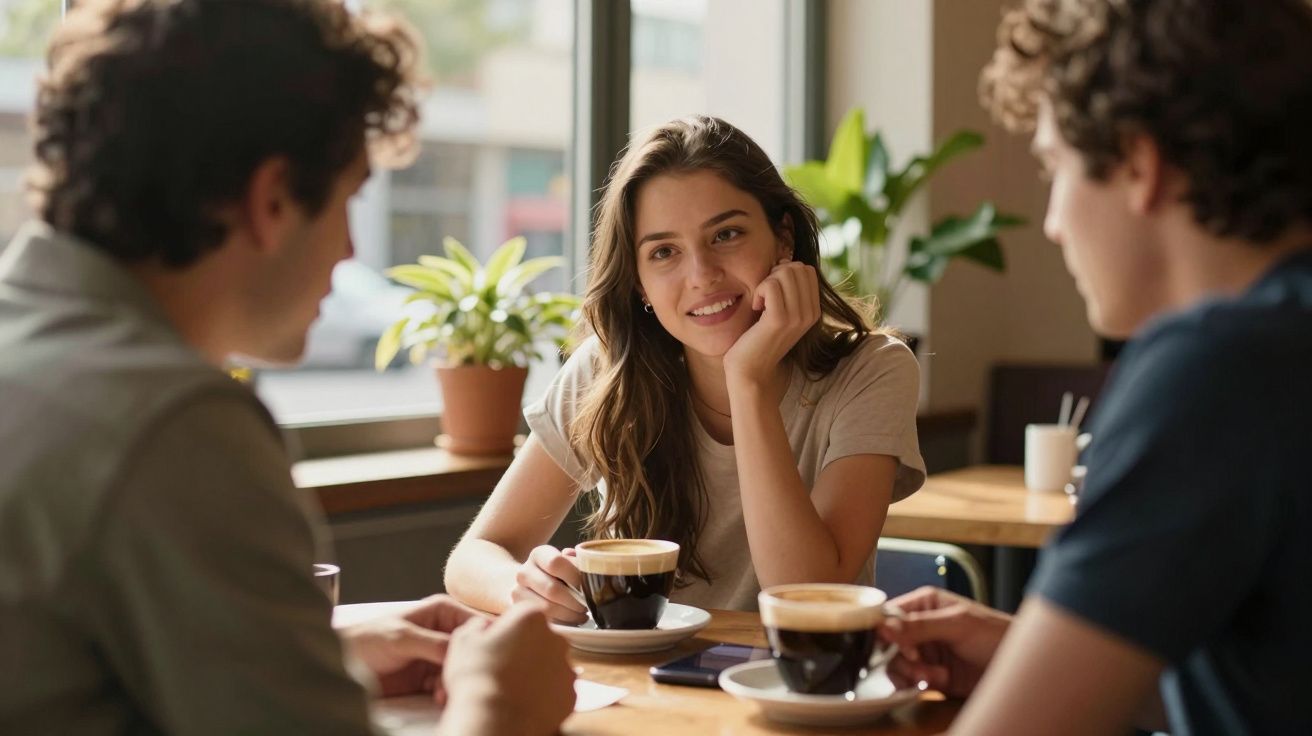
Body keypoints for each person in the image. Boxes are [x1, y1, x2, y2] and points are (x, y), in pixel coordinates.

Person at [0, 1, 574, 734]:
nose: (350, 251)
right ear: (272, 199)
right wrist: (500, 703)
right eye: (348, 200)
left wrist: (316, 656)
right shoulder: (174, 424)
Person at [877, 1, 1312, 734]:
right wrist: (1032, 655)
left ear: (1138, 162)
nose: (1053, 222)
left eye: (1055, 167)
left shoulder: (1217, 367)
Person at [445, 115, 926, 623]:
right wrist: (525, 588)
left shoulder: (872, 371)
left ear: (783, 238)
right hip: (640, 669)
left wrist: (748, 381)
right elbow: (474, 557)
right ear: (638, 282)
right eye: (664, 252)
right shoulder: (609, 372)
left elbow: (806, 595)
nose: (702, 275)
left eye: (726, 234)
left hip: (792, 667)